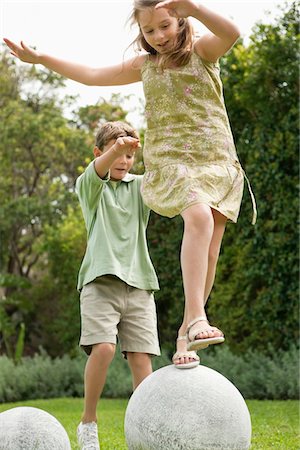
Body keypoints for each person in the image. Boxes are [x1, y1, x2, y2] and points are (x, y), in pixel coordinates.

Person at [4, 0, 256, 372]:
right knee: (199, 218)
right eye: (149, 31)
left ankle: (186, 333)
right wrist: (43, 59)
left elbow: (232, 33)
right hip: (172, 161)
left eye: (165, 26)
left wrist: (194, 7)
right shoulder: (146, 65)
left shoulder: (202, 51)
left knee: (212, 249)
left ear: (180, 20)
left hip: (216, 159)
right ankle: (198, 316)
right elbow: (90, 73)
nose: (158, 37)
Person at [76, 121, 161, 449]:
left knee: (142, 359)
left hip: (139, 284)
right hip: (100, 283)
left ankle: (148, 429)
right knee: (105, 348)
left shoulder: (141, 187)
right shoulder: (91, 187)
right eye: (117, 153)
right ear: (100, 152)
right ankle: (88, 421)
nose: (124, 160)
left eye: (129, 155)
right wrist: (119, 145)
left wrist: (145, 144)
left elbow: (162, 176)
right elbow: (97, 170)